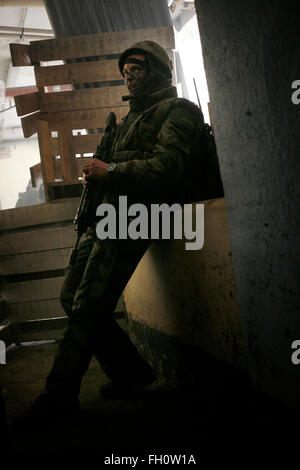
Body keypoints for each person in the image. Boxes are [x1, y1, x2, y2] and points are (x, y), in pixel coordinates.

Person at [20, 40, 215, 423]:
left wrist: (112, 169)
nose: (129, 76)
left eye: (137, 69)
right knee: (70, 296)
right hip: (106, 216)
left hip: (140, 215)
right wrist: (101, 174)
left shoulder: (178, 111)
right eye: (125, 72)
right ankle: (131, 375)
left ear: (158, 71)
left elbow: (167, 168)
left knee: (88, 306)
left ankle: (59, 397)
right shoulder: (126, 121)